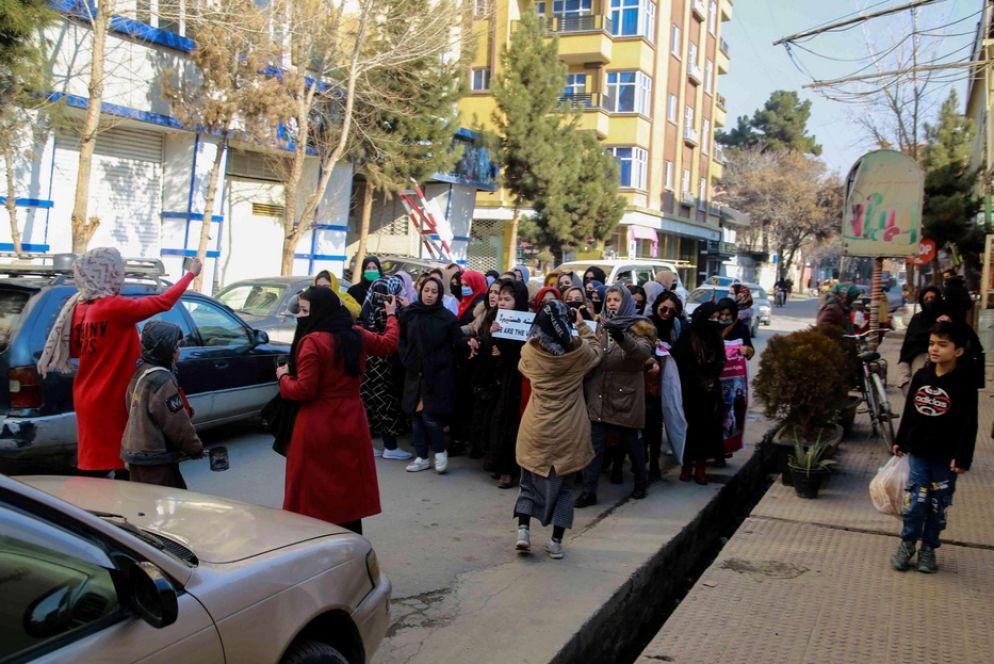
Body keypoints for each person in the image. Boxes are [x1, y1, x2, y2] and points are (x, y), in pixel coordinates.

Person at [37, 248, 200, 477]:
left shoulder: (80, 308)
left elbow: (75, 349)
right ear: (108, 273)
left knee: (98, 461)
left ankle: (90, 497)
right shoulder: (112, 307)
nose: (120, 276)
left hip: (87, 393)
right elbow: (163, 302)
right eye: (117, 271)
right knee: (121, 460)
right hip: (112, 395)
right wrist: (190, 275)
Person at [278, 287, 400, 535]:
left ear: (319, 311)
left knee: (313, 493)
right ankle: (350, 545)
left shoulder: (312, 341)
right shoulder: (356, 334)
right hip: (352, 419)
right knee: (347, 490)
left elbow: (304, 390)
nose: (300, 316)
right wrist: (391, 316)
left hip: (316, 423)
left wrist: (283, 378)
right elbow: (388, 344)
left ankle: (316, 545)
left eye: (304, 310)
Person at [514, 300, 602, 559]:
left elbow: (522, 367)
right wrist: (582, 326)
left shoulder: (529, 353)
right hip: (570, 430)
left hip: (536, 428)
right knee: (564, 489)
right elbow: (597, 351)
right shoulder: (579, 353)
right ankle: (555, 543)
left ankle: (523, 533)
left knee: (528, 484)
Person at [891, 321, 978, 573]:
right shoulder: (921, 376)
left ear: (958, 351)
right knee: (916, 501)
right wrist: (901, 440)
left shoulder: (965, 383)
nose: (934, 349)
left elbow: (969, 423)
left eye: (942, 344)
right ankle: (907, 543)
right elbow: (910, 411)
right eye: (931, 344)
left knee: (937, 505)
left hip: (946, 458)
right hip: (918, 452)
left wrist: (963, 457)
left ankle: (928, 548)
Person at [578, 285, 655, 506]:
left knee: (632, 443)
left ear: (627, 302)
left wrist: (622, 338)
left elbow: (642, 352)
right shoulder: (600, 324)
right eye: (609, 299)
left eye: (617, 300)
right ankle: (589, 491)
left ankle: (641, 483)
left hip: (626, 394)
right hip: (600, 392)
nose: (612, 303)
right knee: (594, 446)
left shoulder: (641, 326)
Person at [399, 276, 478, 474]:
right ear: (421, 291)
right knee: (416, 415)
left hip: (437, 373)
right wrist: (406, 357)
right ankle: (422, 457)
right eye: (426, 290)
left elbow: (457, 340)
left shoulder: (446, 317)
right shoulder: (410, 313)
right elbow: (402, 339)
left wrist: (469, 342)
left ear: (440, 295)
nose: (429, 295)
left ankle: (440, 452)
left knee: (430, 415)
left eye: (434, 292)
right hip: (415, 371)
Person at [121, 321, 204, 488]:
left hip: (135, 453)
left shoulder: (141, 372)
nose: (179, 351)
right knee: (167, 499)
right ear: (166, 349)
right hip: (156, 458)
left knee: (143, 500)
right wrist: (195, 449)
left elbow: (129, 405)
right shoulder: (162, 380)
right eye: (176, 346)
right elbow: (177, 423)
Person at [481, 279, 530, 488]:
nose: (501, 302)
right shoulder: (493, 317)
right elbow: (488, 351)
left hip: (518, 381)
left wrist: (502, 346)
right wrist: (493, 336)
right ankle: (499, 464)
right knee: (497, 422)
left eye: (507, 299)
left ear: (517, 301)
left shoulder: (526, 322)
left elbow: (523, 354)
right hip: (499, 381)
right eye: (500, 298)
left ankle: (509, 469)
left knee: (512, 424)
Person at [671, 302, 725, 485]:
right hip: (689, 389)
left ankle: (701, 467)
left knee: (706, 429)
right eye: (712, 317)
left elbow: (721, 359)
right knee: (689, 428)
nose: (715, 321)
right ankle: (687, 465)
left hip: (710, 390)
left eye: (717, 318)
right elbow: (682, 360)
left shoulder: (716, 336)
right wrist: (700, 379)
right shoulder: (687, 334)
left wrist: (711, 379)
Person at [357, 276, 412, 460]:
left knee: (369, 403)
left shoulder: (367, 310)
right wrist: (398, 311)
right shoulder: (388, 312)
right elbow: (394, 334)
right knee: (385, 403)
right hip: (384, 363)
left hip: (368, 361)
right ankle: (390, 446)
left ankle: (367, 445)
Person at [897, 286, 943, 394]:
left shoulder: (944, 318)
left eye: (932, 298)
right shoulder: (917, 319)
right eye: (926, 299)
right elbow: (908, 343)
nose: (929, 301)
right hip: (917, 355)